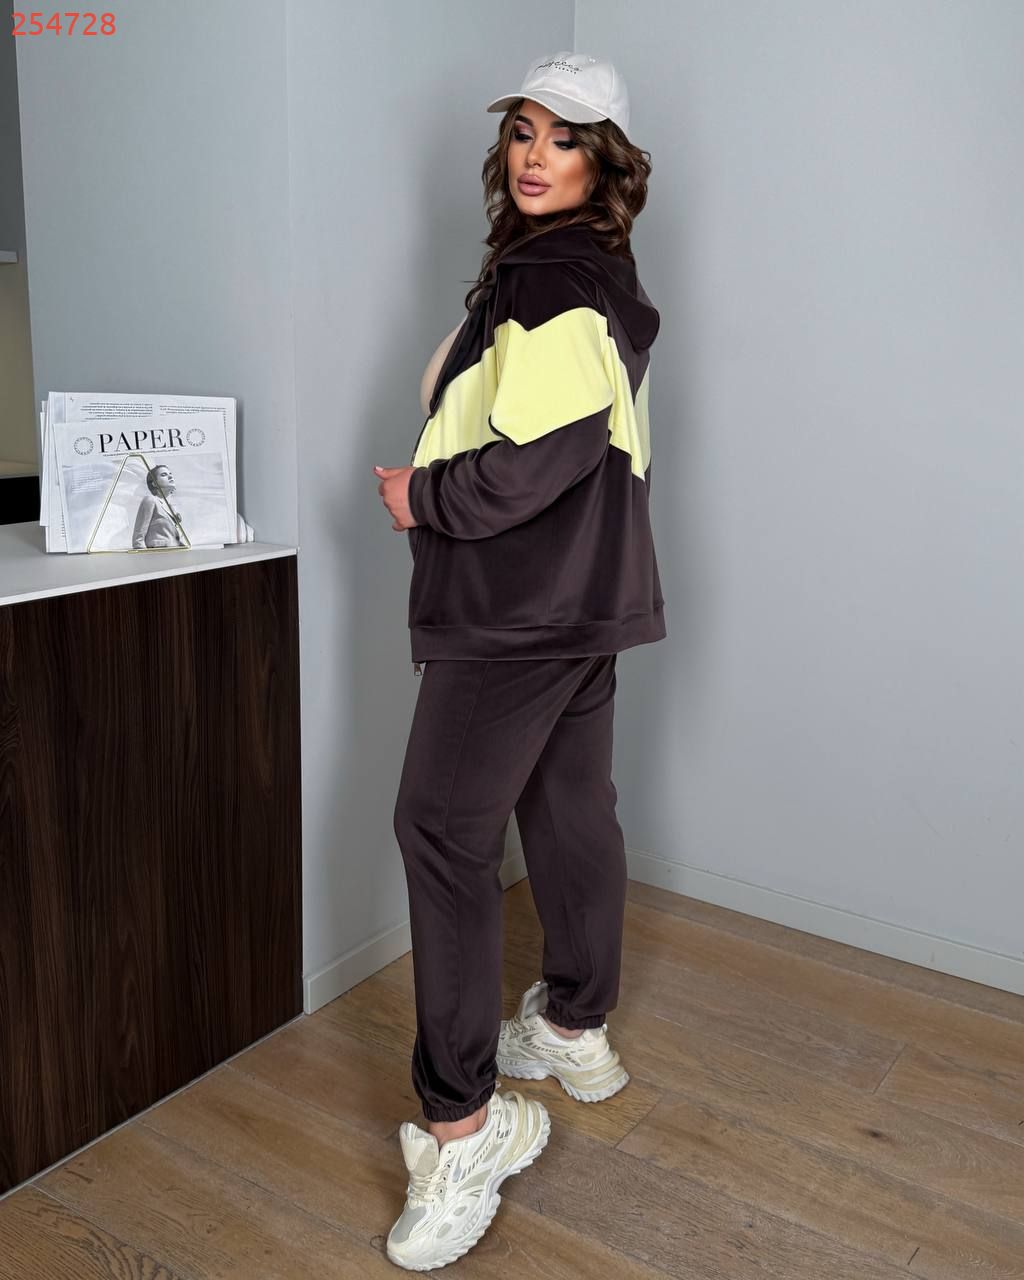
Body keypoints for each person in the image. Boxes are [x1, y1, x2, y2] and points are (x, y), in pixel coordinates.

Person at [373, 50, 666, 1272]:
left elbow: (542, 456)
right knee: (566, 807)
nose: (536, 154)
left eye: (566, 137)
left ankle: (466, 1123)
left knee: (441, 831)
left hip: (515, 608)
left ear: (606, 162)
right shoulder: (592, 274)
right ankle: (573, 1024)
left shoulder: (547, 276)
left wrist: (423, 496)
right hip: (582, 604)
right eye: (524, 132)